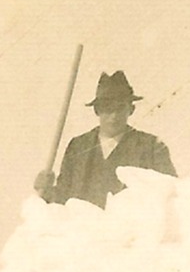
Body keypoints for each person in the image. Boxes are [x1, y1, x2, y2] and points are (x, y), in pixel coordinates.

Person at [37, 70, 176, 208]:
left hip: (131, 228)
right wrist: (46, 191)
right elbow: (63, 197)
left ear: (131, 109)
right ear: (97, 110)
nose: (114, 116)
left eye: (120, 108)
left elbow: (171, 193)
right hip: (82, 227)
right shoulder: (78, 146)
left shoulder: (152, 147)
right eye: (108, 108)